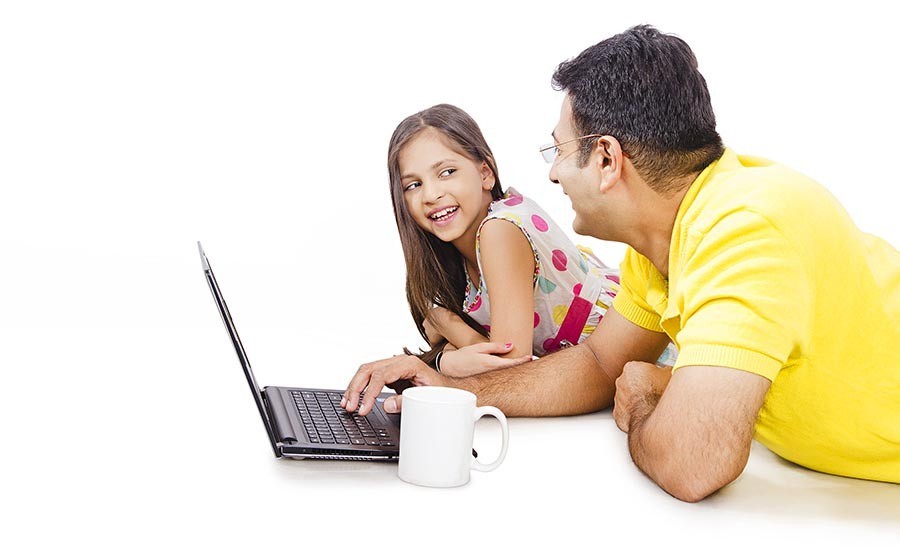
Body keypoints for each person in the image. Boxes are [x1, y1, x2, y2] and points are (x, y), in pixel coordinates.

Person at [342, 26, 900, 501]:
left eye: (558, 150)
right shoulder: (661, 238)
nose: (554, 175)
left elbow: (691, 463)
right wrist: (443, 387)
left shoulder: (748, 230)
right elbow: (597, 366)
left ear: (606, 158)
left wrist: (647, 395)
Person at [386, 104, 669, 378]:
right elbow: (493, 354)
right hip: (589, 373)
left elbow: (508, 367)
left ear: (486, 173)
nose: (431, 194)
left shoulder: (499, 230)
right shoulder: (461, 256)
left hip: (646, 358)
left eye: (447, 172)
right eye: (413, 185)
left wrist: (445, 327)